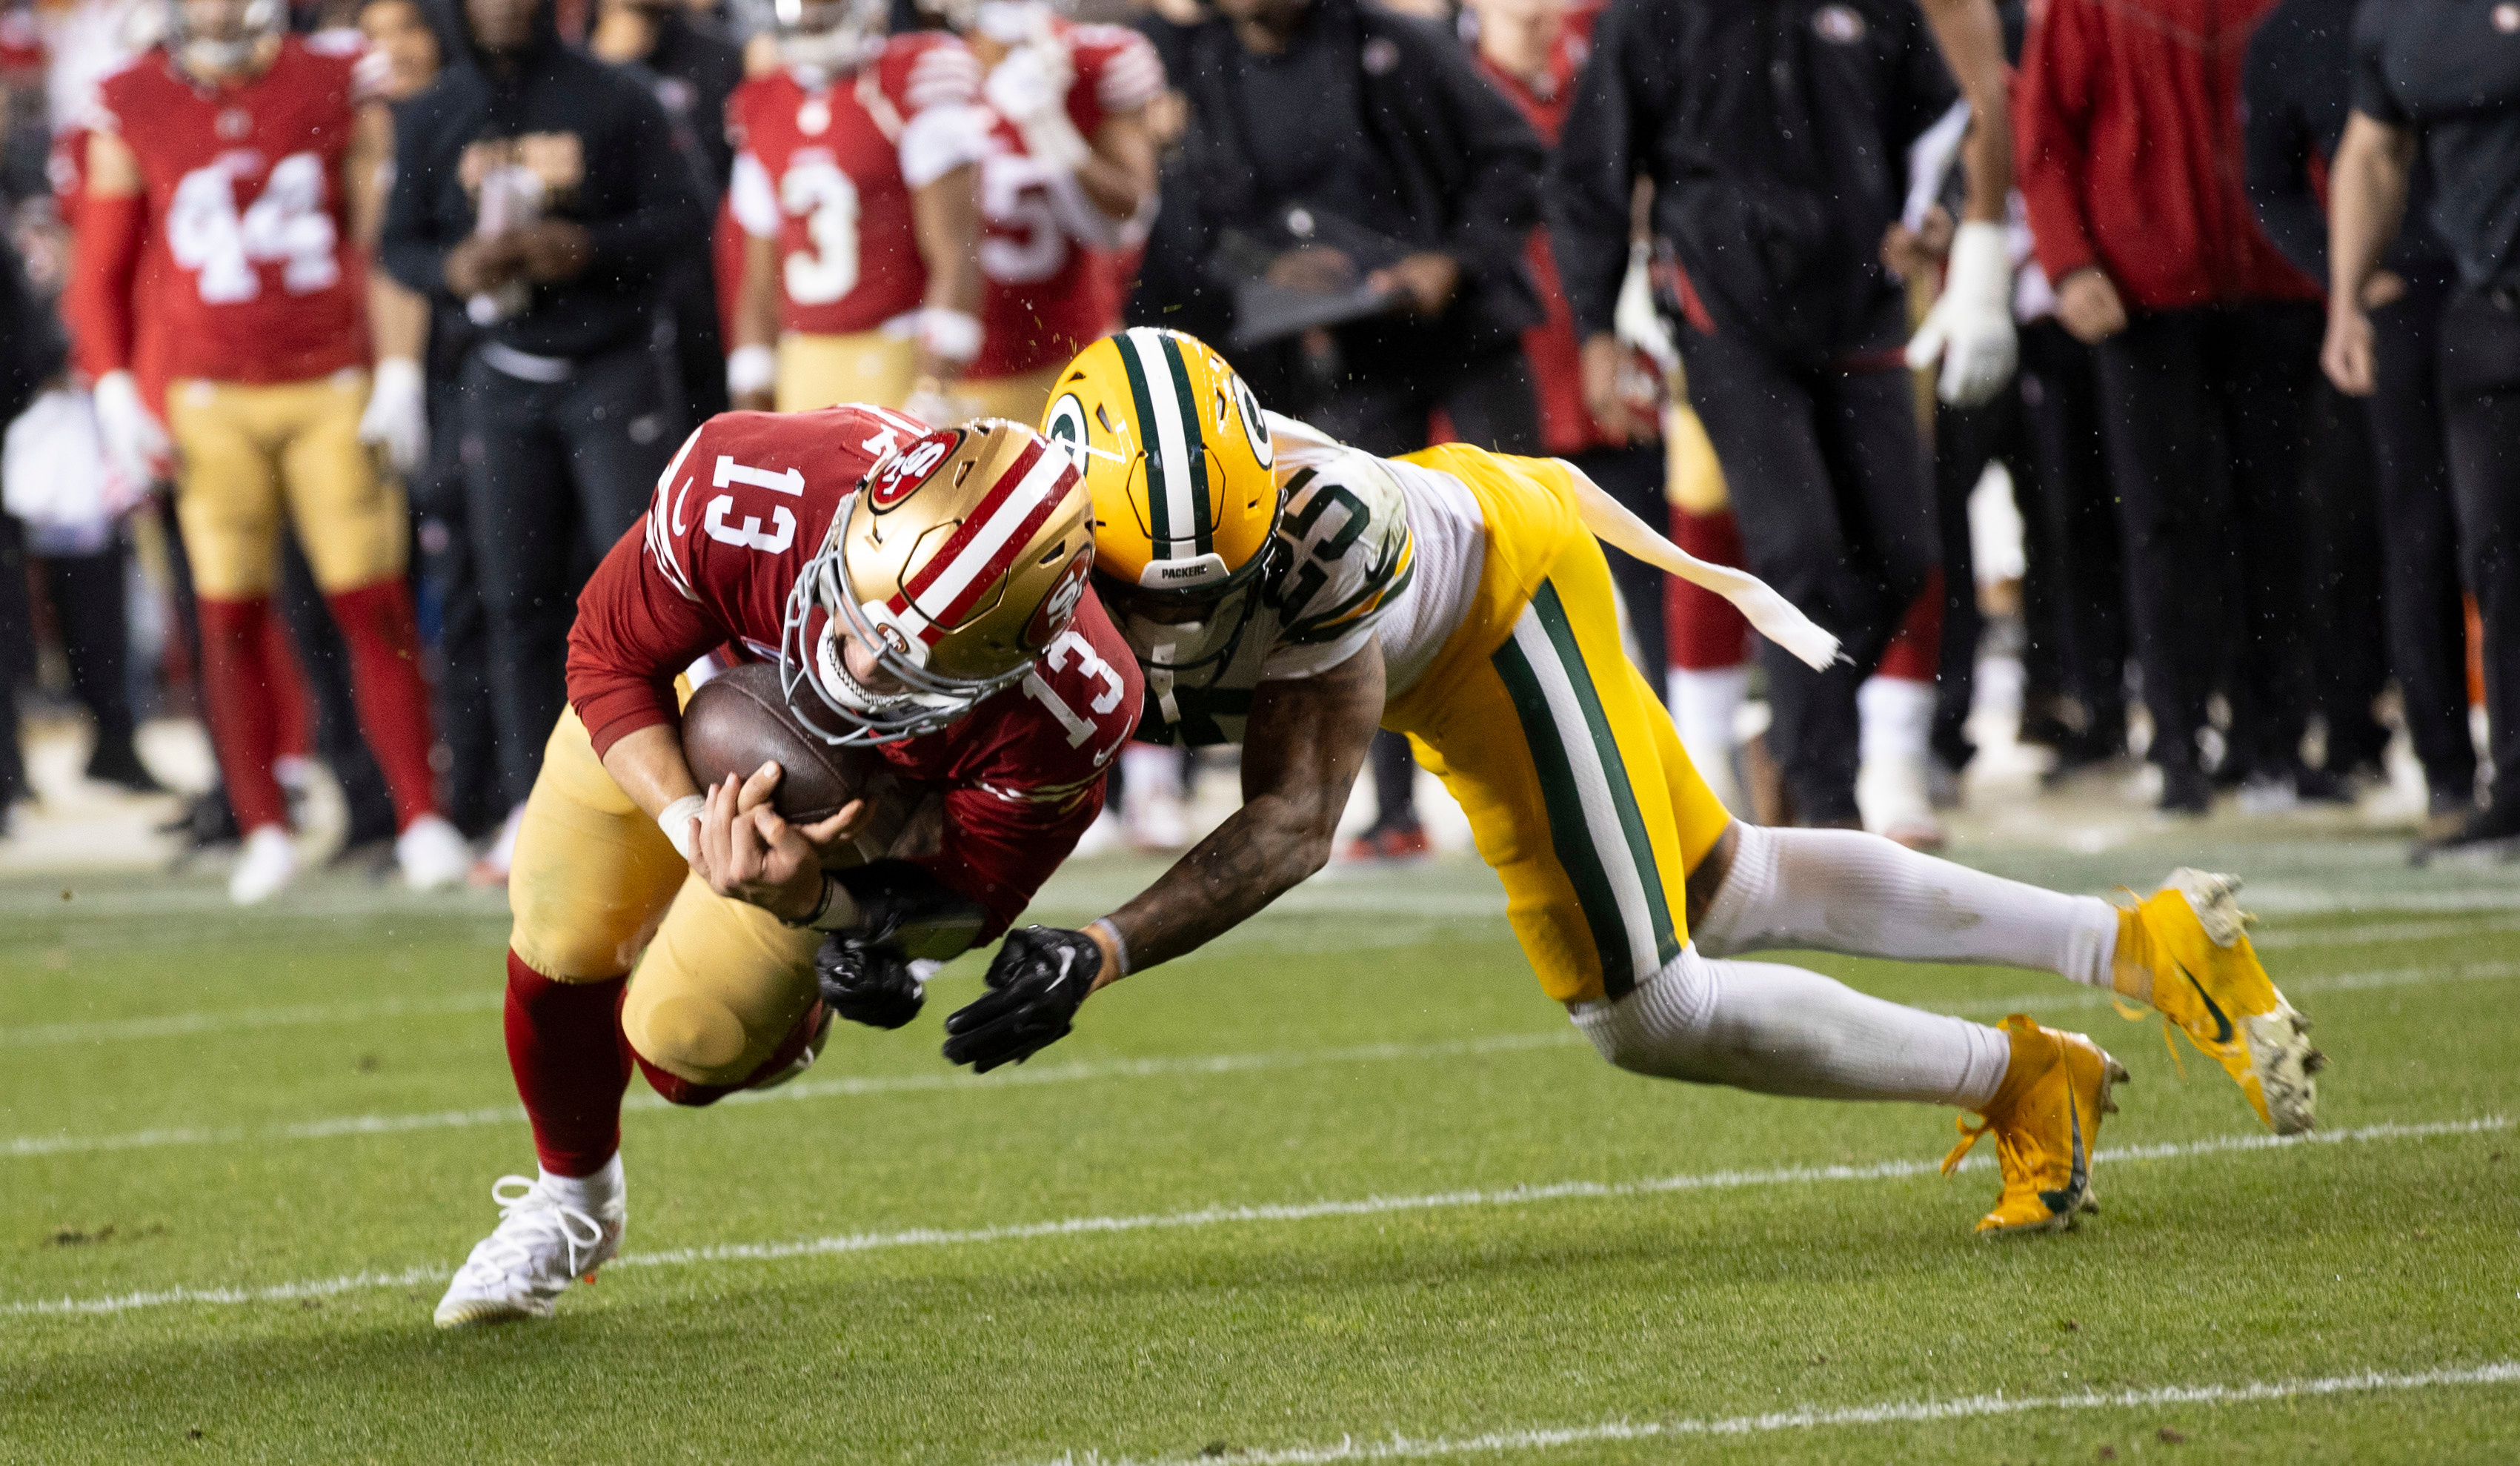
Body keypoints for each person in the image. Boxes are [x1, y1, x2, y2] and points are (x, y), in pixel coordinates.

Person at [940, 330, 2324, 1242]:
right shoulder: (997, 532)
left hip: (1492, 613)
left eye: (1223, 566)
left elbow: (1297, 820)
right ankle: (2135, 940)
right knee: (1725, 886)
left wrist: (1106, 944)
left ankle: (2025, 1077)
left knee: (1646, 1005)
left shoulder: (1324, 536)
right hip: (1462, 596)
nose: (1178, 604)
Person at [434, 409, 1141, 1326]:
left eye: (898, 670)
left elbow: (970, 898)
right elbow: (608, 654)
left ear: (1006, 665)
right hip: (701, 686)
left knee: (685, 1052)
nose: (847, 668)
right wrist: (690, 825)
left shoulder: (1070, 702)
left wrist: (823, 904)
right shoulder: (751, 483)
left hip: (853, 818)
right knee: (561, 935)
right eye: (850, 614)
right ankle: (573, 1205)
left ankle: (800, 1005)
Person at [1551, 0, 2020, 833]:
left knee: (1904, 557)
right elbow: (1592, 173)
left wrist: (1937, 213)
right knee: (1795, 551)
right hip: (1724, 313)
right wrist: (1593, 329)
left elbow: (1939, 123)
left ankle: (1798, 734)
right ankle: (1825, 807)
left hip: (1861, 302)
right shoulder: (1651, 15)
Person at [68, 0, 469, 901]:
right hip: (209, 395)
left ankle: (422, 814)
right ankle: (263, 825)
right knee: (227, 614)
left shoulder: (334, 78)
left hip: (328, 382)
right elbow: (102, 265)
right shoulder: (130, 99)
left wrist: (397, 366)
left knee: (373, 603)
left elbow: (382, 238)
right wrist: (113, 383)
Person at [1174, 0, 1554, 860]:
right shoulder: (1207, 70)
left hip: (1466, 330)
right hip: (1350, 344)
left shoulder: (1395, 43)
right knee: (1359, 566)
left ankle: (1549, 761)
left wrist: (1452, 257)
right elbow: (1198, 225)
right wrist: (1269, 264)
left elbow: (1513, 153)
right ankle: (1391, 806)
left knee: (1524, 539)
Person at [380, 0, 711, 875]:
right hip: (501, 372)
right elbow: (398, 245)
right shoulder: (433, 111)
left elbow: (685, 223)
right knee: (514, 597)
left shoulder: (618, 98)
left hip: (614, 364)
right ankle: (536, 802)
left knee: (646, 595)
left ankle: (680, 796)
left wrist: (589, 248)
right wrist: (451, 270)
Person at [2016, 0, 2330, 815]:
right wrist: (2067, 263)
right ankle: (2178, 741)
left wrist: (2338, 250)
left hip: (2277, 282)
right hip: (2142, 295)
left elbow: (2335, 115)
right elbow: (2045, 134)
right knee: (2163, 524)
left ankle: (2274, 741)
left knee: (2279, 519)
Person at [2247, 0, 2472, 843]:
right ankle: (2446, 776)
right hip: (2401, 299)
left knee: (2493, 538)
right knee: (2413, 539)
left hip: (2488, 284)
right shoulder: (2298, 32)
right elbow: (2288, 176)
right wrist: (2343, 284)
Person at [2322, 0, 2520, 856]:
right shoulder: (2401, 15)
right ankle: (2512, 788)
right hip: (2490, 311)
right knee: (2499, 555)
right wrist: (2343, 300)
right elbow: (2372, 150)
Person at [721, 0, 989, 416]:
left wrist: (933, 388)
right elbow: (758, 282)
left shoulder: (908, 82)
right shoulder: (759, 103)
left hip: (898, 351)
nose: (810, 14)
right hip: (804, 363)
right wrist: (750, 402)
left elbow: (958, 252)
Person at [920, 0, 1161, 425]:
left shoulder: (1093, 62)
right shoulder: (925, 76)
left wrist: (1049, 126)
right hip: (965, 375)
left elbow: (1126, 225)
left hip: (1081, 355)